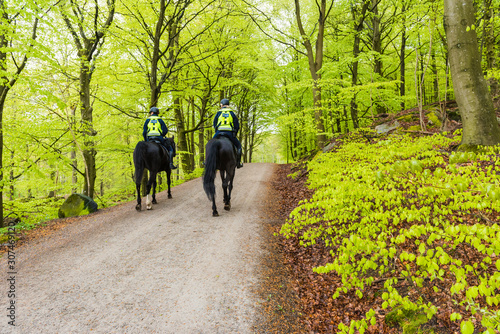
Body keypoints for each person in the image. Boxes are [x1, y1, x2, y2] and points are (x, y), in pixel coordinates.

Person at [213, 98, 243, 168]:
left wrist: (216, 130)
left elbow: (214, 123)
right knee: (239, 146)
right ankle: (238, 163)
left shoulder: (219, 112)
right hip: (229, 133)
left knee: (210, 145)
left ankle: (207, 161)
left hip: (219, 132)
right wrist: (235, 132)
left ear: (222, 105)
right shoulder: (231, 113)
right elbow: (236, 124)